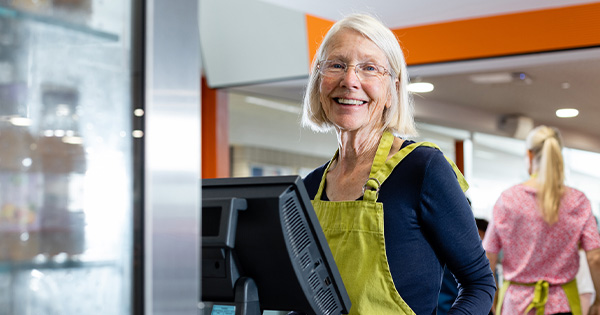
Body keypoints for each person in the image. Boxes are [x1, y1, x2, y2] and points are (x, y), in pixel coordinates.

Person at [301, 13, 495, 314]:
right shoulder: (309, 188)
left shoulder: (423, 169)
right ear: (318, 81)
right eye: (337, 65)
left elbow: (479, 283)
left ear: (392, 88)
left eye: (369, 68)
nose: (349, 80)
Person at [482, 125, 600, 314]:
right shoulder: (577, 200)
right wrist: (599, 301)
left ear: (529, 155)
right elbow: (595, 258)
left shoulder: (508, 199)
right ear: (558, 155)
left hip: (517, 306)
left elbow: (489, 257)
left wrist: (492, 299)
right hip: (562, 305)